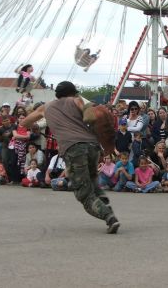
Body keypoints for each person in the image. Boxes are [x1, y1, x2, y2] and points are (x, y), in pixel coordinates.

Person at [21, 81, 120, 234]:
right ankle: (106, 208)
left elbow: (24, 122)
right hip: (92, 146)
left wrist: (35, 124)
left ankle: (109, 217)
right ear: (73, 92)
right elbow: (91, 117)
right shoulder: (77, 100)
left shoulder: (45, 107)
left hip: (73, 148)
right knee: (93, 183)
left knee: (83, 192)